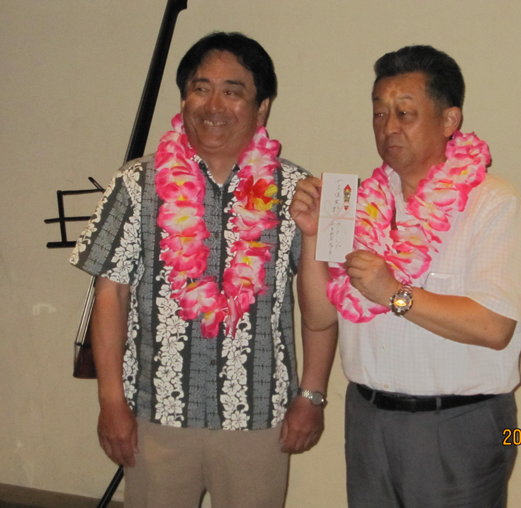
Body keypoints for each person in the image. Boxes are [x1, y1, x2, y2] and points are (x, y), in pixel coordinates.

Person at [71, 32, 336, 508]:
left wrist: (311, 396)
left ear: (261, 108)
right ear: (183, 99)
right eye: (201, 88)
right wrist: (110, 401)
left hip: (258, 416)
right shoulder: (136, 183)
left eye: (233, 92)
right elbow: (110, 294)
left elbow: (320, 308)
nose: (214, 105)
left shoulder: (297, 190)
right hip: (156, 413)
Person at [290, 44, 521, 507]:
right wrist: (311, 235)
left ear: (449, 120)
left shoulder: (493, 204)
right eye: (379, 113)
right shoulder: (356, 204)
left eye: (405, 113)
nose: (389, 127)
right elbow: (321, 316)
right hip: (368, 419)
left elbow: (494, 326)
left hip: (457, 426)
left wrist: (395, 294)